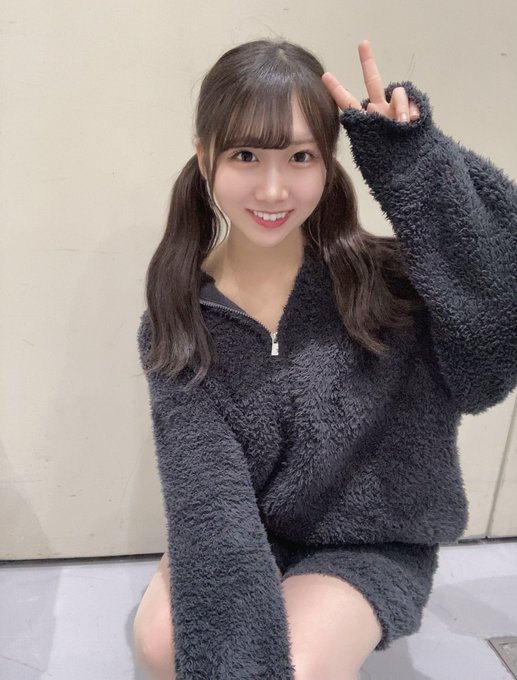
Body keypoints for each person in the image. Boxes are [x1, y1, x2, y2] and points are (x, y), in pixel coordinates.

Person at [132, 38, 517, 680]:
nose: (273, 187)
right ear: (204, 158)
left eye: (300, 156)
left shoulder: (391, 284)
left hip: (370, 542)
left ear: (328, 160)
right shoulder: (179, 318)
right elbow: (209, 499)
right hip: (246, 531)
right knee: (164, 647)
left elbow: (496, 339)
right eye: (246, 155)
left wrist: (417, 164)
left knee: (296, 666)